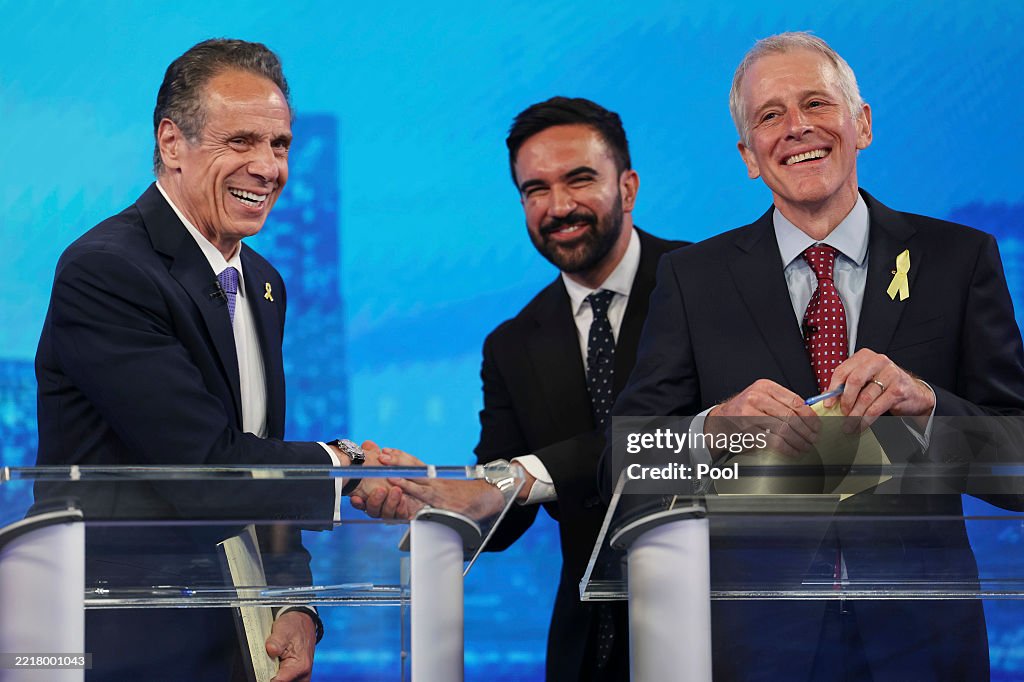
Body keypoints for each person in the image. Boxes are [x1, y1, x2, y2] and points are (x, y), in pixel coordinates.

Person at [604, 31, 1024, 680]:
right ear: (748, 155)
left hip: (924, 642)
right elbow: (625, 461)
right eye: (770, 116)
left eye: (817, 104)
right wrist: (713, 431)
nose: (797, 128)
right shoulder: (694, 278)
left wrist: (930, 405)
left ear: (862, 124)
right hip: (757, 642)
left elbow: (1019, 464)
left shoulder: (958, 261)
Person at [34, 39, 381, 682]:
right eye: (241, 141)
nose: (268, 167)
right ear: (171, 143)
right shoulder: (107, 269)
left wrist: (293, 599)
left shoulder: (265, 283)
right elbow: (202, 465)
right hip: (117, 641)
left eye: (279, 145)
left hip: (236, 639)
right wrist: (349, 467)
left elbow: (260, 455)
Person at [358, 97, 687, 681]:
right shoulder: (511, 344)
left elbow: (678, 437)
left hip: (719, 623)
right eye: (535, 190)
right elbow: (503, 511)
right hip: (590, 647)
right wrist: (433, 493)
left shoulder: (704, 284)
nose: (558, 206)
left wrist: (513, 479)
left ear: (628, 186)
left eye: (579, 180)